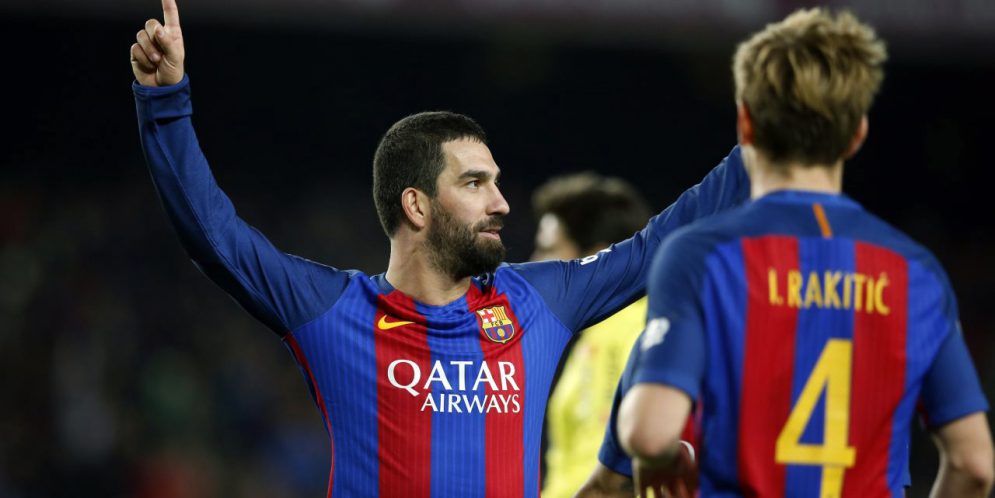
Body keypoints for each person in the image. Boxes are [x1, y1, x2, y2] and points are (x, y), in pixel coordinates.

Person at [128, 0, 749, 495]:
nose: (502, 203)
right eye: (475, 184)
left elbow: (656, 244)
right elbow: (215, 238)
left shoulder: (536, 300)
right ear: (417, 205)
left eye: (496, 183)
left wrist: (765, 142)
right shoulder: (335, 311)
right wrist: (165, 105)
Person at [590, 8, 994, 498]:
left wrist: (664, 456)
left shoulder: (701, 257)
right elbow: (974, 465)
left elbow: (649, 433)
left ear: (746, 123)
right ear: (857, 133)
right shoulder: (915, 273)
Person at [528, 173, 652, 498]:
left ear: (594, 261)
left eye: (548, 250)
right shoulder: (598, 334)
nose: (534, 264)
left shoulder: (636, 330)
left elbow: (626, 464)